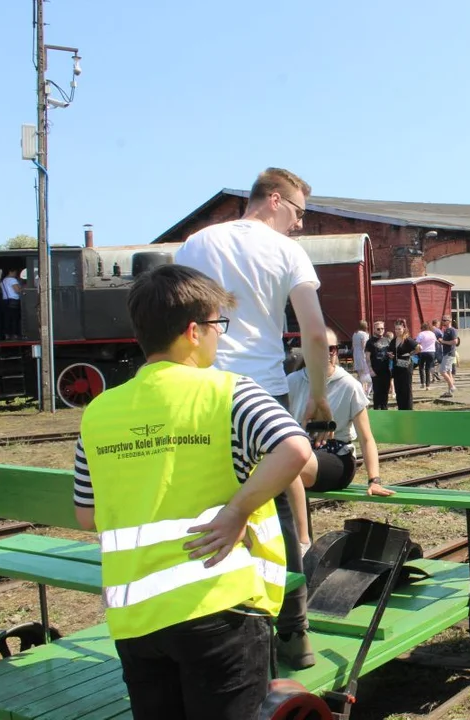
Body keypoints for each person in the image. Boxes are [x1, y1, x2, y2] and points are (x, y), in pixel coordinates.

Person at [72, 264, 313, 719]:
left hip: (135, 617)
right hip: (219, 604)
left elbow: (88, 515)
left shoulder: (98, 412)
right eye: (217, 325)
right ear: (192, 331)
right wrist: (238, 510)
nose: (219, 337)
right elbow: (295, 449)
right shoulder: (229, 392)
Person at [175, 167, 329, 669]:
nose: (301, 224)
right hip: (262, 390)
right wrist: (320, 397)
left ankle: (211, 623)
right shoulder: (287, 252)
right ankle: (294, 633)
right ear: (276, 199)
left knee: (204, 499)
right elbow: (312, 330)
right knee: (276, 503)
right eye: (300, 212)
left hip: (200, 390)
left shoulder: (196, 244)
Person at [287, 327, 395, 500]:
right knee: (283, 462)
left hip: (337, 456)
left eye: (332, 349)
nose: (328, 354)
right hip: (300, 449)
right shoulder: (292, 382)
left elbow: (366, 438)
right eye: (321, 348)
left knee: (288, 465)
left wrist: (374, 480)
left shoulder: (349, 385)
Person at [390, 318, 420, 410]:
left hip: (406, 365)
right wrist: (390, 355)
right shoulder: (394, 340)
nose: (397, 331)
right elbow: (391, 350)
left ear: (403, 329)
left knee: (406, 387)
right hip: (397, 365)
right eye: (396, 329)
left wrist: (411, 353)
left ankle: (408, 408)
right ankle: (401, 407)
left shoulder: (407, 340)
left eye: (399, 329)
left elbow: (419, 348)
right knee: (398, 386)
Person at [366, 320, 391, 410]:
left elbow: (390, 353)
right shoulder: (370, 342)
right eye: (378, 329)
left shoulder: (387, 340)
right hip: (376, 371)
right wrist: (370, 370)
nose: (381, 330)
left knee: (385, 391)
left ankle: (385, 409)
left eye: (382, 328)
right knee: (377, 392)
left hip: (386, 370)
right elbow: (367, 357)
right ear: (374, 330)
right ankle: (377, 410)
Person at [0, 268, 22, 340]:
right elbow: (17, 290)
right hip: (13, 301)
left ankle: (7, 335)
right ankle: (15, 335)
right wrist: (21, 288)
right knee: (15, 318)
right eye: (15, 271)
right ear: (10, 271)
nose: (16, 273)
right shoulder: (12, 280)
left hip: (5, 301)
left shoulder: (3, 281)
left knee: (7, 318)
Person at [416, 322, 437, 389]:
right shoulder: (433, 334)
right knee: (427, 368)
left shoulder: (421, 334)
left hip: (423, 352)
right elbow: (435, 341)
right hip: (432, 352)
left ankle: (422, 383)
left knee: (421, 367)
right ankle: (428, 385)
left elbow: (417, 343)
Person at [352, 319, 371, 393]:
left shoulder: (355, 334)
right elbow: (364, 346)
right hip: (363, 355)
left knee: (360, 375)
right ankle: (366, 393)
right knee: (367, 375)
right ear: (365, 326)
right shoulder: (364, 334)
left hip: (356, 354)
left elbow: (353, 346)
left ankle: (359, 391)